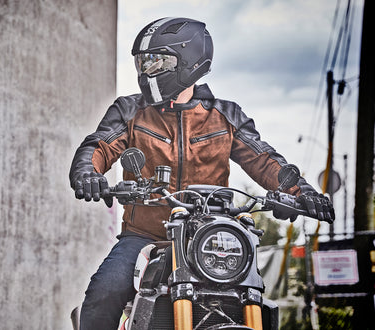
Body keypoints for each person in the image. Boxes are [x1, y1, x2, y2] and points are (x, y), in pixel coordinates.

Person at [69, 17, 334, 330]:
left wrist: (303, 194)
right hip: (145, 238)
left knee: (256, 297)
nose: (148, 70)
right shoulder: (130, 111)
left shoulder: (225, 115)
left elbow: (265, 160)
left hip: (213, 235)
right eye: (144, 63)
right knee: (105, 291)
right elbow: (99, 145)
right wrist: (89, 171)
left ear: (190, 62)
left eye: (158, 61)